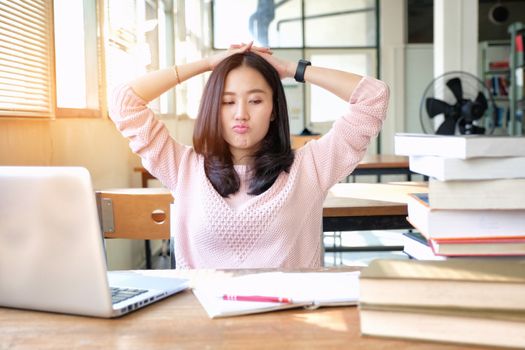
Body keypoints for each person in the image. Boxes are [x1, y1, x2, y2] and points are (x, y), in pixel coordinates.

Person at [110, 42, 389, 269]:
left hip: (289, 324)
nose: (241, 113)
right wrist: (208, 64)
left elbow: (374, 97)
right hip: (202, 325)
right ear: (212, 109)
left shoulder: (310, 168)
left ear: (274, 109)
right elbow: (124, 101)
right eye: (227, 102)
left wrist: (292, 68)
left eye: (255, 100)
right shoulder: (182, 167)